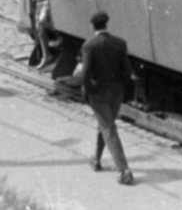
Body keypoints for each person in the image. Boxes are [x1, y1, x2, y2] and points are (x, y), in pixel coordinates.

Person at [58, 10, 136, 186]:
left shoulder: (89, 45)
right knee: (105, 124)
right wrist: (120, 87)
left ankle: (124, 170)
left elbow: (85, 74)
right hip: (116, 92)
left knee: (108, 128)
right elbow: (127, 72)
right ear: (106, 24)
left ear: (92, 25)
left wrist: (89, 90)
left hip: (98, 93)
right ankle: (96, 160)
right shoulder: (119, 43)